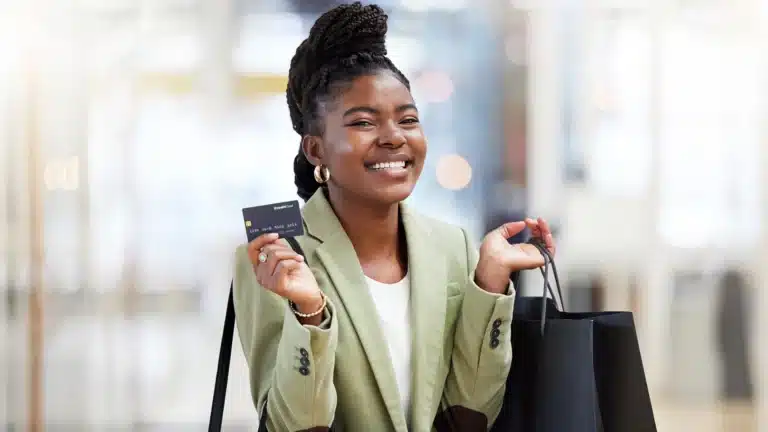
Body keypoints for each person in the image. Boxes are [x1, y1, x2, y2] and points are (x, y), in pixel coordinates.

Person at [232, 3, 556, 431]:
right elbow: (289, 425)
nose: (393, 137)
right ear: (316, 150)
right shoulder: (276, 259)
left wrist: (489, 282)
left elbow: (469, 416)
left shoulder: (452, 246)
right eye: (363, 122)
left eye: (408, 119)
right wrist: (309, 312)